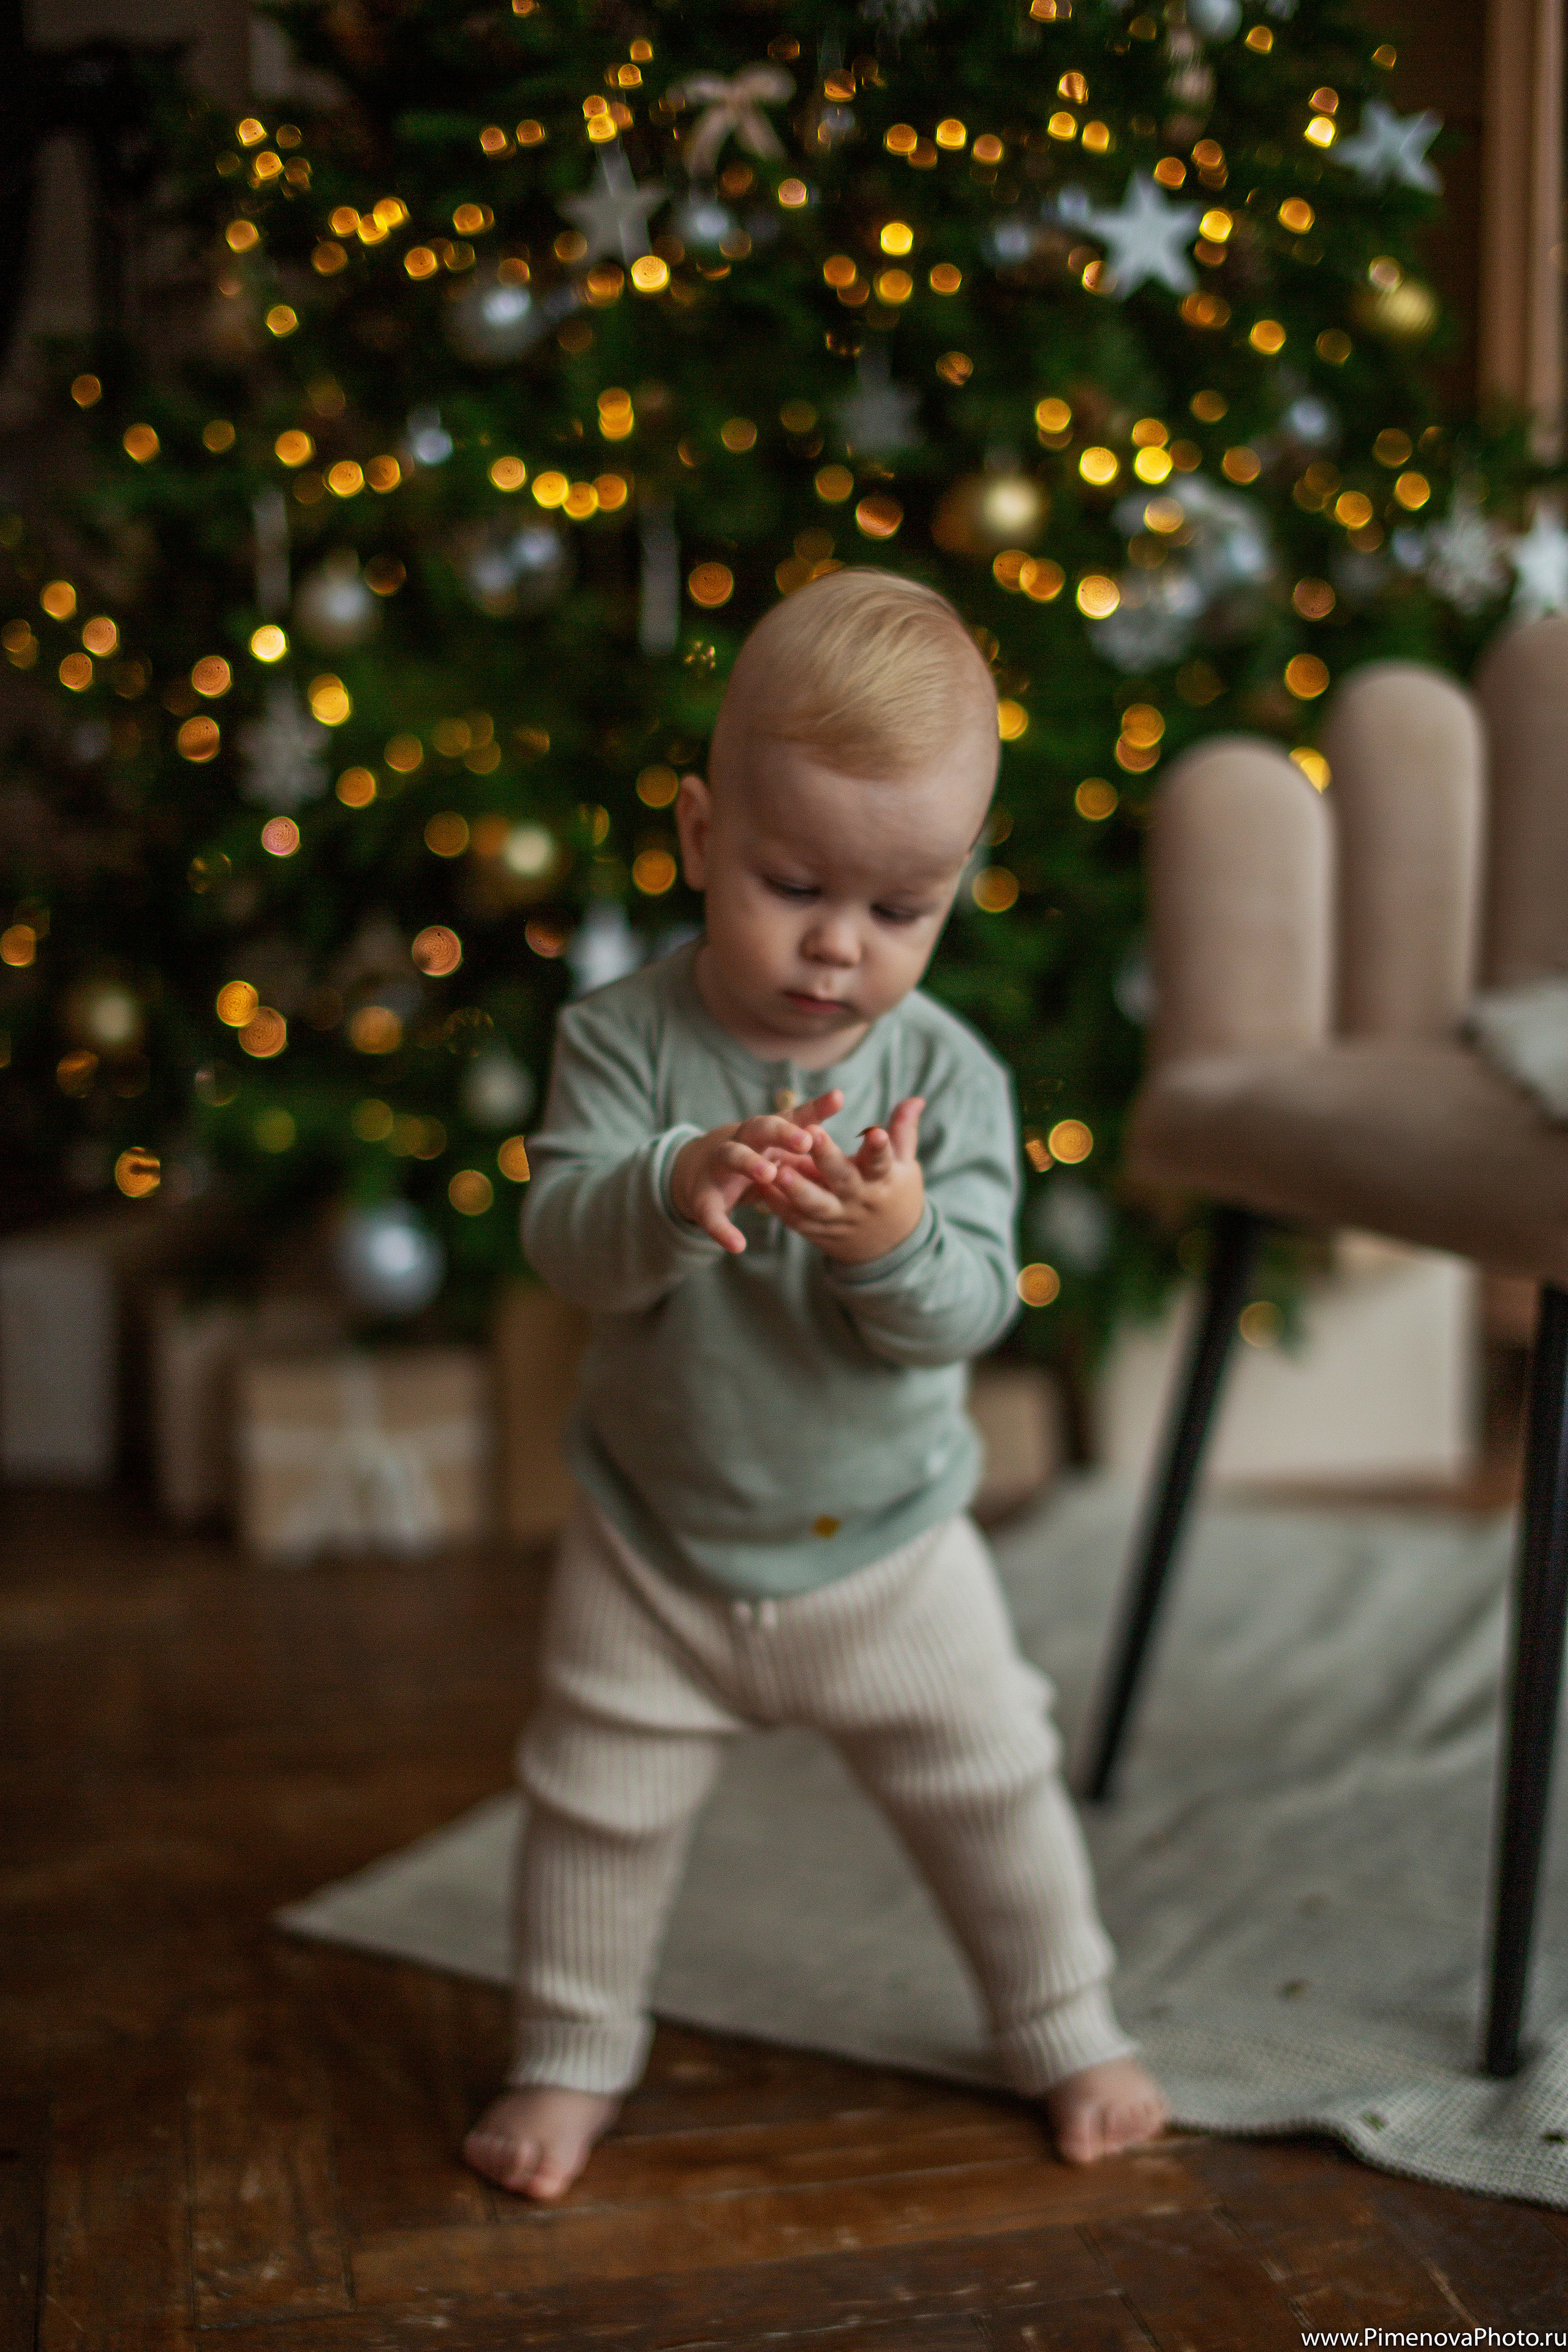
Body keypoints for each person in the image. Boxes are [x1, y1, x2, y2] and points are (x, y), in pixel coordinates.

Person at [464, 567, 1167, 2201]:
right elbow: (565, 1247)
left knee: (992, 1784)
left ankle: (1065, 2022)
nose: (840, 949)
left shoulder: (947, 1080)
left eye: (900, 910)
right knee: (592, 1811)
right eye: (791, 883)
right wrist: (668, 1183)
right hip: (657, 1538)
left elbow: (969, 1311)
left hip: (892, 1546)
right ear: (704, 837)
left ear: (954, 894)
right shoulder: (621, 1041)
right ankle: (568, 2056)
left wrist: (892, 1243)